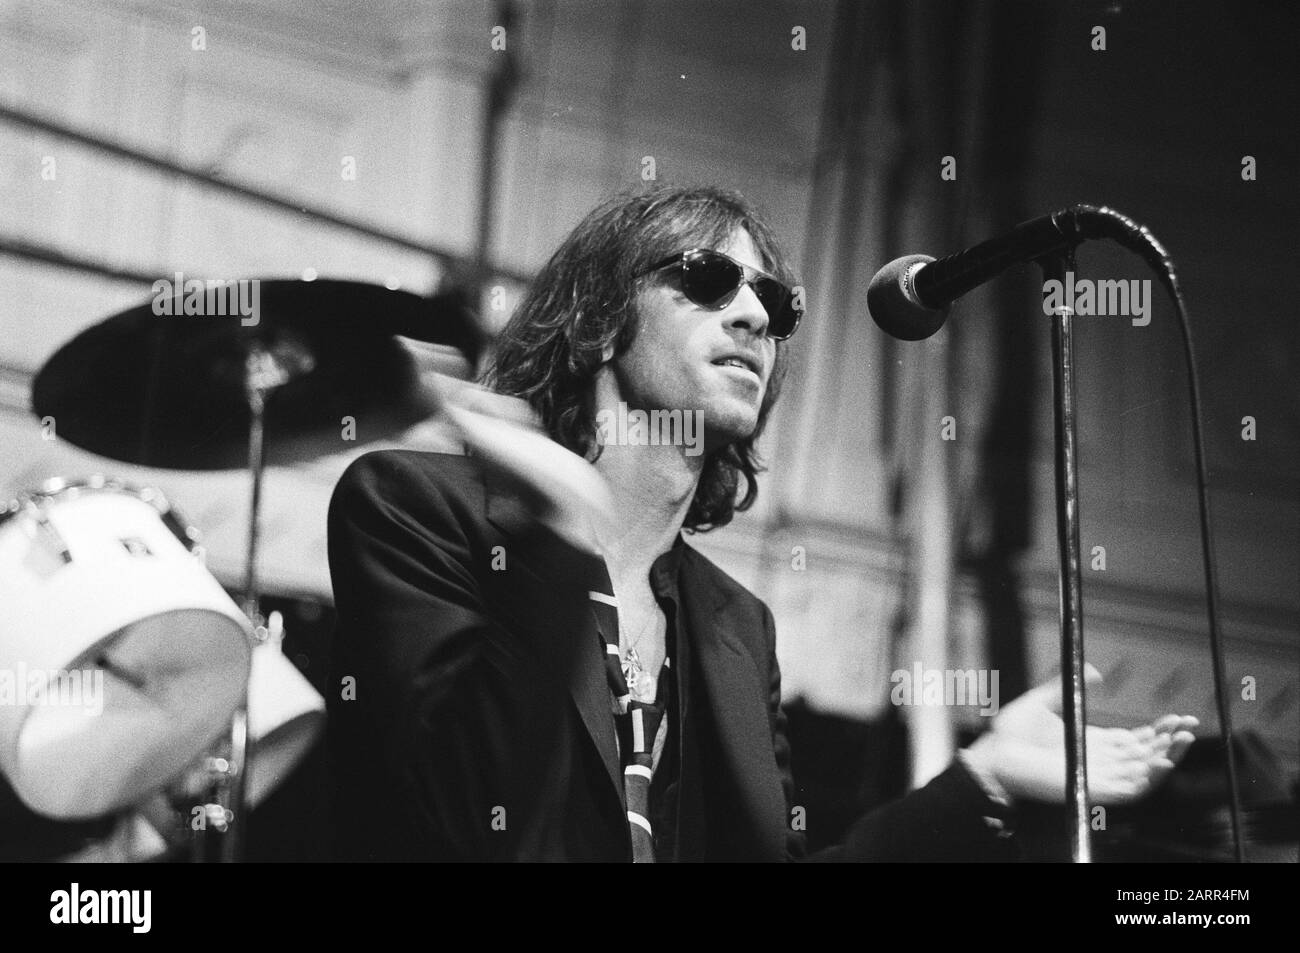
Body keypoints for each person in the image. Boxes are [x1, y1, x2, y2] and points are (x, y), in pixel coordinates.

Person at [326, 184, 1196, 861]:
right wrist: (558, 535)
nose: (752, 314)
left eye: (776, 306)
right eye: (706, 279)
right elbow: (467, 814)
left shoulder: (737, 628)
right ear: (596, 323)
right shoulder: (414, 506)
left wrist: (981, 782)